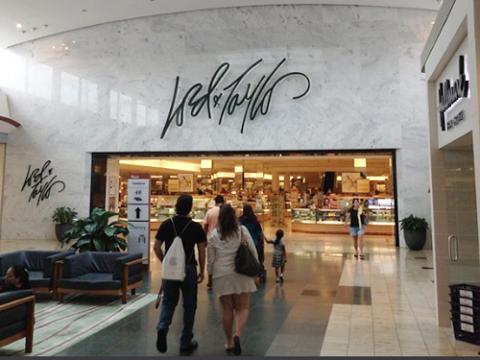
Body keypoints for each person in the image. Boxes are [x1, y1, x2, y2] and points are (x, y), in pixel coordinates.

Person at [154, 194, 207, 355]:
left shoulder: (166, 224)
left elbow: (156, 247)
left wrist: (165, 262)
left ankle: (163, 327)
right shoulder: (195, 227)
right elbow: (202, 250)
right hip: (189, 268)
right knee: (189, 305)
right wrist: (202, 270)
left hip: (171, 270)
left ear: (176, 206)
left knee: (169, 301)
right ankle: (185, 341)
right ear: (190, 208)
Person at [207, 204, 258, 356]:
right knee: (242, 307)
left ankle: (229, 341)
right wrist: (256, 268)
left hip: (221, 274)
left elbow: (211, 259)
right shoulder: (242, 231)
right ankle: (238, 334)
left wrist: (209, 275)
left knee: (227, 309)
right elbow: (253, 250)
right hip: (241, 272)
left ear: (220, 218)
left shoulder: (214, 235)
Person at [239, 203, 266, 283]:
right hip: (255, 243)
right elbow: (259, 233)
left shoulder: (240, 220)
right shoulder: (254, 220)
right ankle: (259, 274)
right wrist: (262, 242)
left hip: (244, 244)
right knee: (257, 259)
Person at [204, 195, 225, 288]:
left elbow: (205, 226)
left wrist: (204, 239)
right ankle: (221, 279)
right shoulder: (225, 211)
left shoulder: (210, 211)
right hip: (222, 238)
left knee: (211, 259)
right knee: (222, 258)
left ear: (215, 201)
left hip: (210, 239)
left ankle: (210, 280)